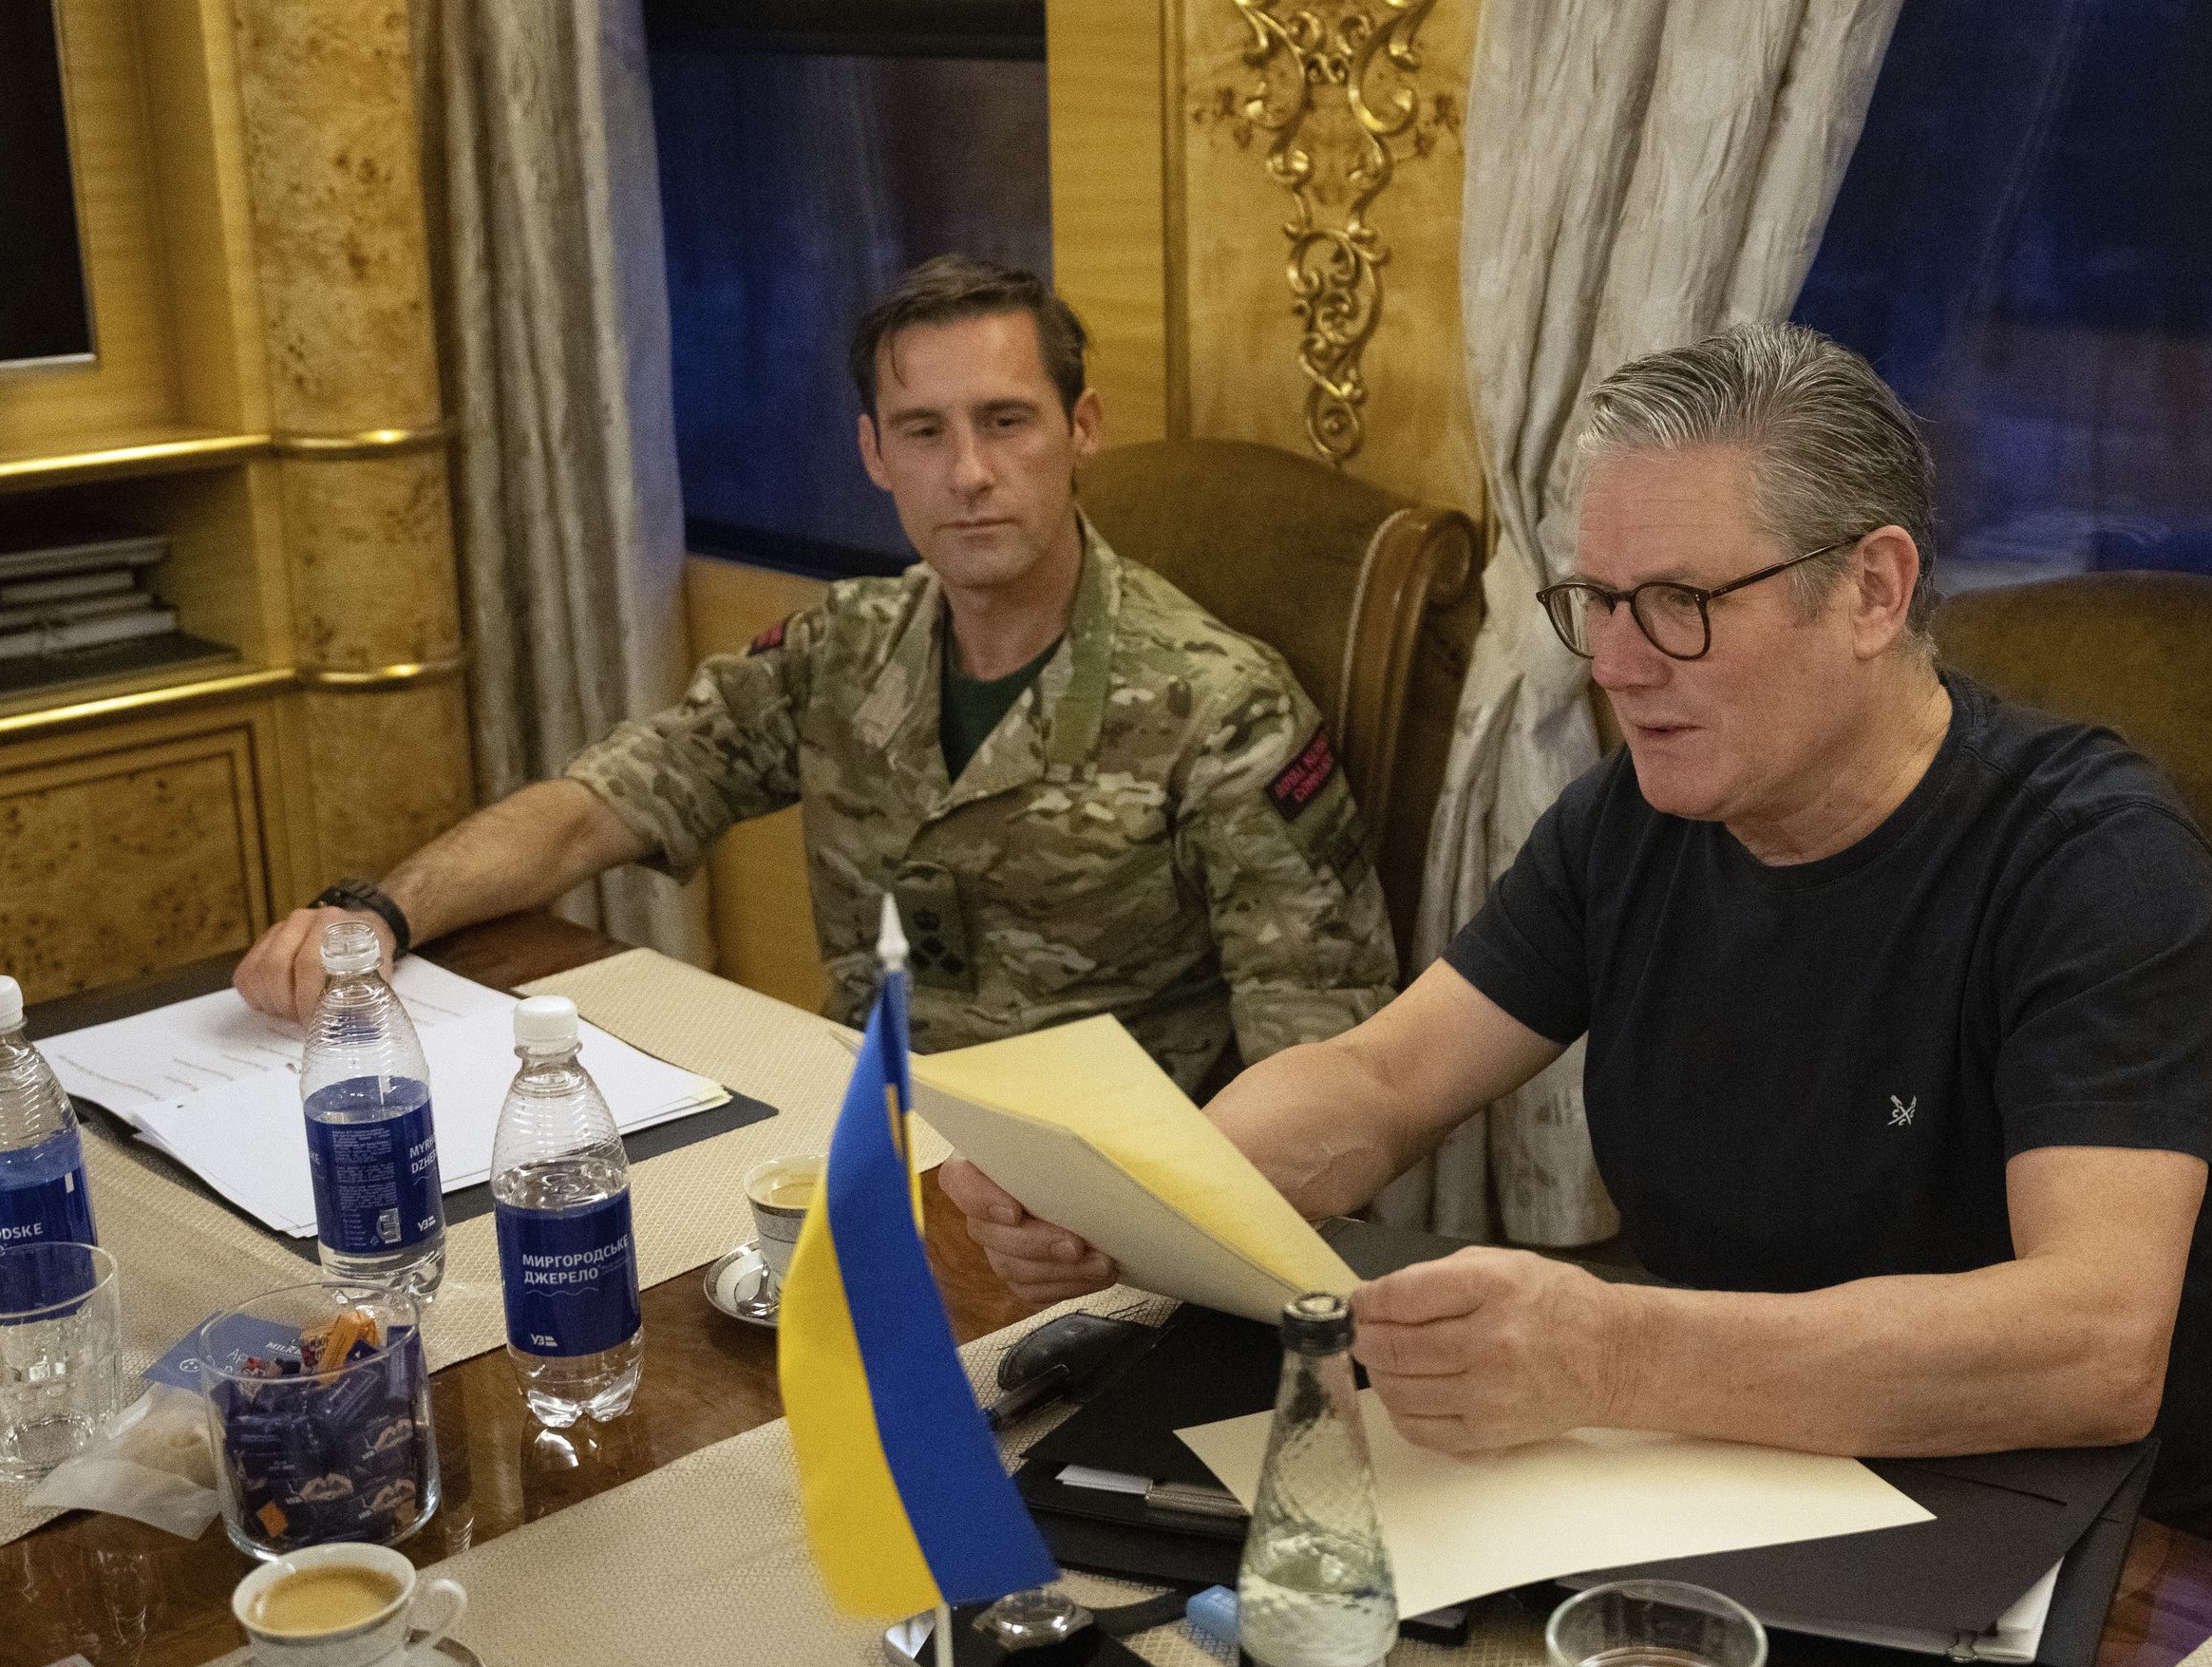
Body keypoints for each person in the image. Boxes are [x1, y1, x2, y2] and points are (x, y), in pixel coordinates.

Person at [948, 322, 2212, 1548]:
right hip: (1742, 1480)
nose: (1617, 665)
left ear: (1874, 592)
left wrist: (1611, 1357)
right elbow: (1380, 1082)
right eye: (1599, 600)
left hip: (2082, 1551)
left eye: (1682, 606)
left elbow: (2099, 1343)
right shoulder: (1637, 824)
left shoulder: (2090, 863)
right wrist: (1144, 1191)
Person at [236, 256, 1396, 1096]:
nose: (972, 473)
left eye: (1008, 421)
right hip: (865, 1143)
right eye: (926, 432)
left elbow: (1327, 1058)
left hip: (1112, 1211)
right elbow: (605, 802)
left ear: (1082, 429)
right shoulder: (842, 647)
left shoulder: (1224, 706)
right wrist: (379, 913)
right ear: (874, 454)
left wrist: (1148, 1213)